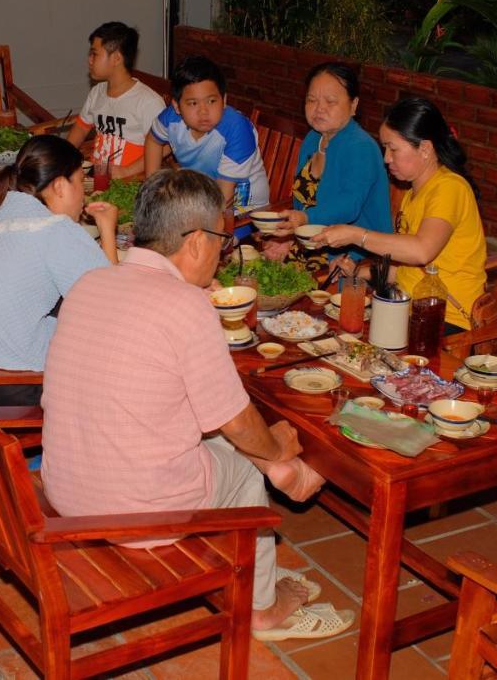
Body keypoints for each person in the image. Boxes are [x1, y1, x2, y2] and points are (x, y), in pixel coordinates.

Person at [41, 168, 353, 640]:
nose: (222, 255)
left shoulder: (91, 282)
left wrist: (265, 447)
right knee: (249, 462)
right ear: (196, 243)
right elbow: (236, 421)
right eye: (223, 243)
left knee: (221, 439)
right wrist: (277, 450)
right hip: (141, 512)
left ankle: (282, 478)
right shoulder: (184, 307)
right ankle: (263, 610)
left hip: (70, 492)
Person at [0, 135, 118, 406]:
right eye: (80, 182)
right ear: (60, 186)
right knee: (105, 348)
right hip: (1, 384)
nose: (83, 194)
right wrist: (108, 232)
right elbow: (114, 305)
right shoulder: (54, 229)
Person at [314, 97, 487, 331]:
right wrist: (358, 271)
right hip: (410, 308)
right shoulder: (414, 192)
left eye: (393, 148)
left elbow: (421, 251)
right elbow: (410, 270)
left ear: (425, 149)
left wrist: (356, 235)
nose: (386, 158)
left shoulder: (449, 188)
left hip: (446, 320)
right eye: (385, 148)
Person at [265, 63, 391, 267]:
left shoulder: (361, 147)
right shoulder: (312, 138)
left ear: (353, 106)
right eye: (311, 100)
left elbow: (349, 207)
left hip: (353, 259)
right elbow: (301, 200)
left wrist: (304, 218)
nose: (319, 108)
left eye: (331, 101)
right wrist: (288, 238)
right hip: (312, 245)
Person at [144, 56, 270, 213]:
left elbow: (224, 199)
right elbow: (153, 141)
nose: (203, 111)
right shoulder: (170, 118)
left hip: (244, 213)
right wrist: (152, 191)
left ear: (224, 100)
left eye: (211, 101)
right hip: (201, 196)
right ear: (177, 106)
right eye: (193, 103)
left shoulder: (236, 128)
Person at [64, 22, 165, 180]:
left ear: (116, 58)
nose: (89, 60)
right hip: (98, 177)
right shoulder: (97, 92)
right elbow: (81, 128)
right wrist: (61, 159)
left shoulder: (148, 101)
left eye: (94, 54)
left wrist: (127, 171)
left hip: (130, 181)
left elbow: (164, 147)